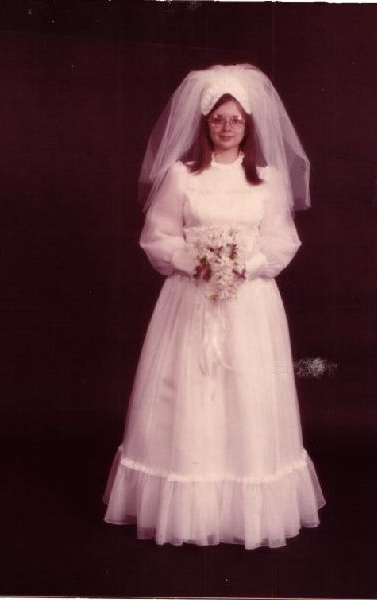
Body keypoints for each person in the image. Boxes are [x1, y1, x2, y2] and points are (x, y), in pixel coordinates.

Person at [102, 64, 326, 550]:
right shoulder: (181, 177)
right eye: (219, 119)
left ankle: (242, 511)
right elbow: (157, 236)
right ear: (205, 124)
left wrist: (246, 266)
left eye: (236, 119)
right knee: (189, 394)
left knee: (247, 395)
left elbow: (282, 241)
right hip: (191, 301)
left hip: (249, 305)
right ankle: (189, 509)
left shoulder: (267, 181)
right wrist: (194, 261)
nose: (227, 127)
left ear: (248, 125)